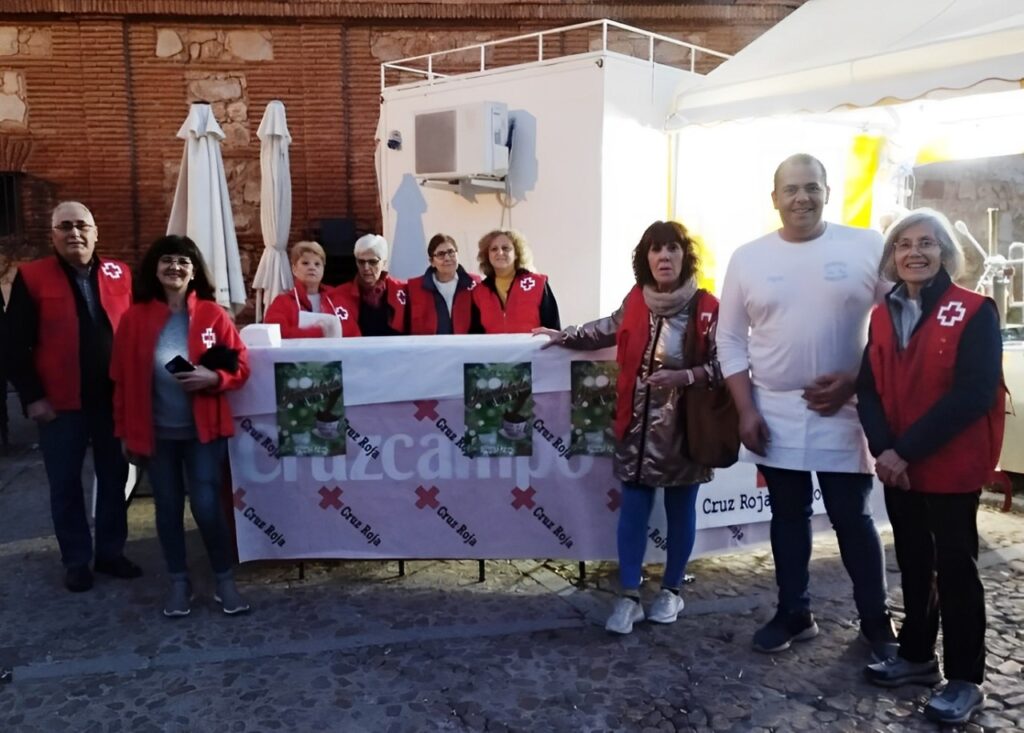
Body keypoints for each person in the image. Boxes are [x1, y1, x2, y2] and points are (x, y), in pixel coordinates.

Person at [716, 154, 896, 659]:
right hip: (773, 410)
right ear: (774, 198)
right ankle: (794, 612)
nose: (802, 198)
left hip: (846, 409)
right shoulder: (748, 257)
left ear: (827, 192)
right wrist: (745, 409)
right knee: (787, 516)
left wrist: (857, 379)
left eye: (811, 187)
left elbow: (896, 323)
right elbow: (729, 339)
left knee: (851, 517)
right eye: (791, 189)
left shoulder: (866, 245)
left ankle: (876, 622)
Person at [534, 220, 719, 634]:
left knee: (680, 509)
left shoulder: (708, 308)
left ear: (685, 257)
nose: (664, 257)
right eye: (656, 250)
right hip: (636, 428)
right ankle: (630, 597)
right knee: (633, 511)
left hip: (685, 429)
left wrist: (684, 377)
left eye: (672, 249)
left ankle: (672, 591)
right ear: (646, 258)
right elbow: (605, 328)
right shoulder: (637, 299)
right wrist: (564, 335)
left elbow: (727, 365)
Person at [858, 209, 1003, 725]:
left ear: (945, 252)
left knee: (956, 570)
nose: (914, 252)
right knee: (915, 562)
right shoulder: (881, 314)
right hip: (900, 466)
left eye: (926, 243)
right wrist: (884, 450)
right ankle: (918, 656)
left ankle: (965, 678)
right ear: (892, 257)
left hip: (948, 464)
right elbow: (869, 388)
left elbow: (973, 394)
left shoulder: (973, 310)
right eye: (903, 244)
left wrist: (905, 450)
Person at [110, 235, 251, 618]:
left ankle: (223, 580)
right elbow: (120, 379)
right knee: (167, 509)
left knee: (206, 506)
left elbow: (241, 366)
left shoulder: (212, 314)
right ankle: (179, 582)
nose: (175, 267)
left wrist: (213, 378)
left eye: (183, 261)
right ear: (154, 268)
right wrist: (124, 431)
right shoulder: (134, 318)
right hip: (156, 432)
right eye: (167, 260)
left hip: (203, 432)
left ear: (194, 271)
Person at [5, 201, 140, 592]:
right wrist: (32, 397)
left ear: (96, 232)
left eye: (82, 226)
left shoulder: (120, 273)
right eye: (64, 227)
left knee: (115, 481)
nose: (74, 233)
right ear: (53, 235)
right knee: (65, 484)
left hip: (111, 401)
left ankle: (111, 552)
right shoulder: (32, 277)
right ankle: (77, 559)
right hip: (59, 404)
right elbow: (13, 346)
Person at [264, 240, 358, 337]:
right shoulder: (282, 302)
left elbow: (354, 335)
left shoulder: (337, 299)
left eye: (317, 264)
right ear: (294, 269)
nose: (312, 267)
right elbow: (275, 335)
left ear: (323, 270)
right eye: (305, 263)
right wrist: (319, 332)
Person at [473, 229, 560, 333]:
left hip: (532, 349)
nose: (500, 252)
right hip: (494, 349)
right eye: (494, 249)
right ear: (487, 255)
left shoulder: (538, 284)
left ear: (516, 254)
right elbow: (477, 336)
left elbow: (553, 330)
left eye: (506, 248)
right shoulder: (479, 292)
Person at [405, 233, 481, 335]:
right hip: (429, 348)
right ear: (432, 261)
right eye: (441, 254)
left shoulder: (474, 283)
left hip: (466, 347)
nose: (447, 258)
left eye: (451, 252)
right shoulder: (414, 287)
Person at [331, 234, 406, 336]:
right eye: (361, 262)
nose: (366, 267)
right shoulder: (340, 294)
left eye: (373, 262)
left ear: (384, 263)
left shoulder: (404, 290)